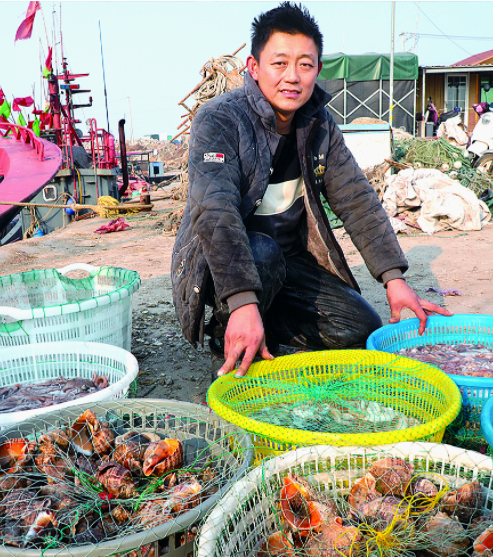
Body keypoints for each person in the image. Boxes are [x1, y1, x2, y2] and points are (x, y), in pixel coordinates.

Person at [171, 2, 451, 378]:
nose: (292, 76)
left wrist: (395, 280)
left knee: (359, 328)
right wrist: (240, 301)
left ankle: (268, 321)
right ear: (253, 68)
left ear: (318, 70)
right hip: (230, 267)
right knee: (263, 252)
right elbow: (215, 210)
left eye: (305, 64)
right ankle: (231, 329)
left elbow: (356, 199)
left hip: (289, 264)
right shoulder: (220, 118)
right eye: (279, 63)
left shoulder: (319, 125)